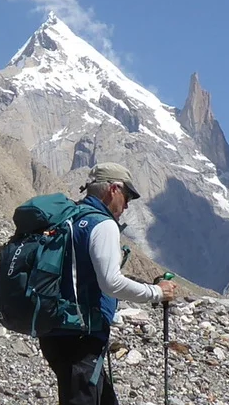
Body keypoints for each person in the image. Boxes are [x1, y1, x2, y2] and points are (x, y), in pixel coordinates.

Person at [39, 163, 178, 405]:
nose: (127, 205)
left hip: (54, 330)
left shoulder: (71, 217)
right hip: (81, 335)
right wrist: (157, 292)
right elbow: (111, 282)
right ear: (114, 189)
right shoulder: (102, 224)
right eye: (127, 197)